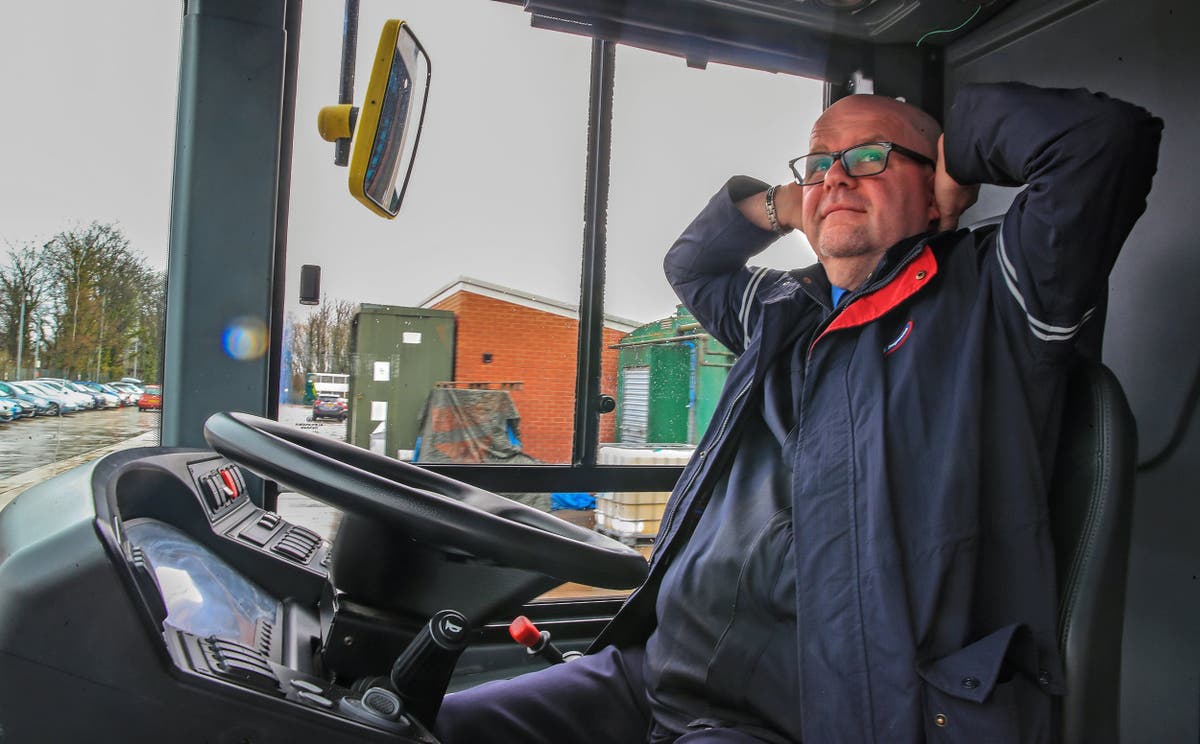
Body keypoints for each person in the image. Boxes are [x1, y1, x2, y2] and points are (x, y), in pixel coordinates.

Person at [434, 83, 1162, 743]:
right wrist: (802, 201)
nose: (836, 175)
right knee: (420, 726)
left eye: (869, 157)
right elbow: (693, 263)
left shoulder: (994, 296)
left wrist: (960, 152)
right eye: (817, 163)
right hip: (653, 674)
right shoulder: (781, 309)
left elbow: (1104, 139)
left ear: (932, 181)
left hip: (808, 712)